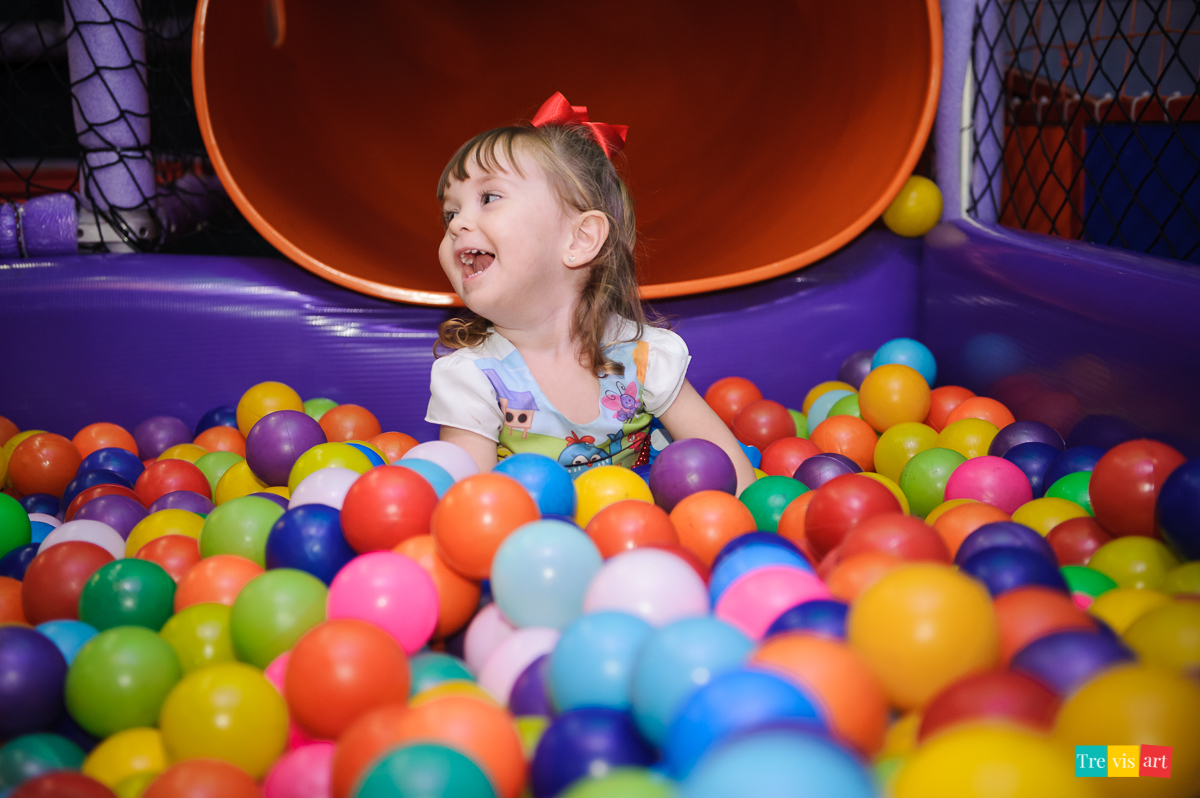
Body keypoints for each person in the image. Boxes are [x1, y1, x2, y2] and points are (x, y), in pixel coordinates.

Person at [427, 92, 756, 492]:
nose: (458, 224)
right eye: (450, 212)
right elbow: (472, 509)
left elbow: (733, 475)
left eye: (488, 197)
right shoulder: (475, 378)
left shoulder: (643, 358)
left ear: (580, 239)